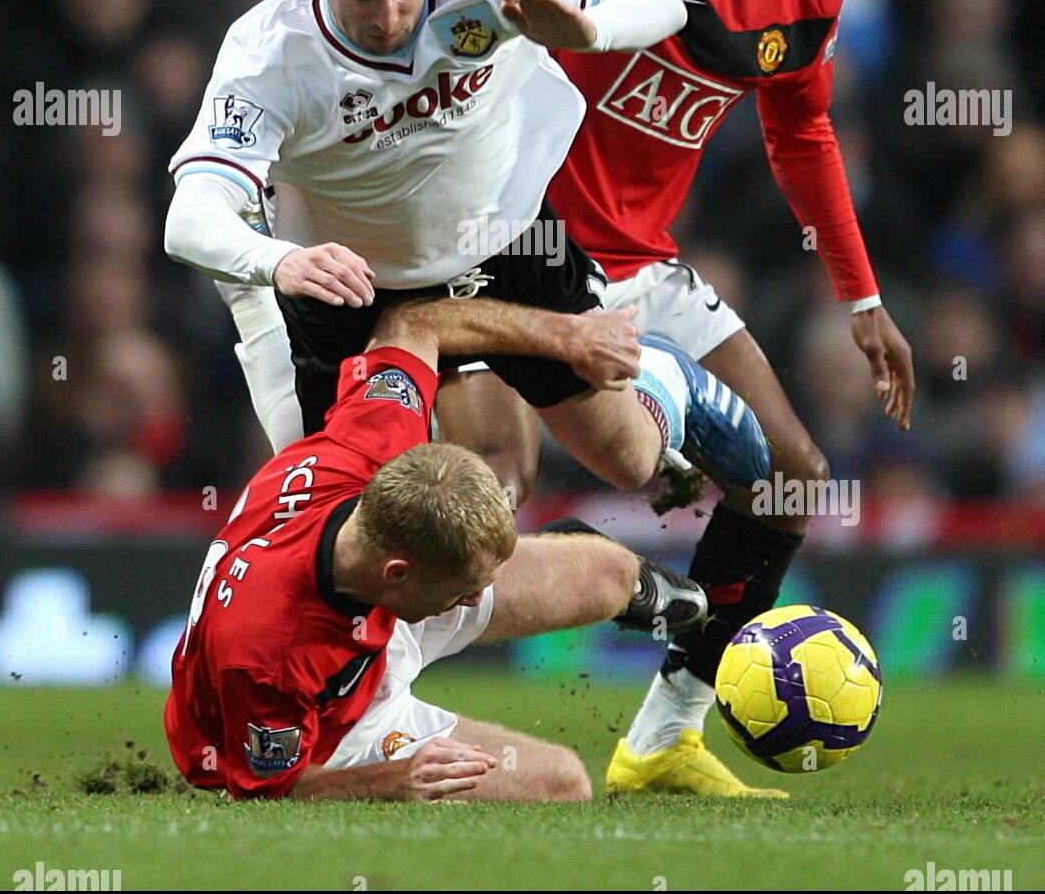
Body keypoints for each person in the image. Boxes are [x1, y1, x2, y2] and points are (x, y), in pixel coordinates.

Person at [234, 0, 915, 799]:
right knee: (489, 503)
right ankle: (372, 696)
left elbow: (805, 139)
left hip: (648, 262)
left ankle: (662, 740)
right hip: (525, 248)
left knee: (789, 480)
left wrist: (862, 296)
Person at [166, 0, 771, 509]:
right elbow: (191, 215)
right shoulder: (268, 56)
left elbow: (662, 3)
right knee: (360, 514)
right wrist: (277, 262)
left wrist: (588, 26)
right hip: (348, 288)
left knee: (628, 458)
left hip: (505, 243)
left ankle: (669, 378)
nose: (387, 19)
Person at [165, 294, 707, 802]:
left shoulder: (372, 442)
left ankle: (620, 578)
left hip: (379, 604)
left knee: (611, 575)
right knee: (563, 783)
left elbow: (414, 324)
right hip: (336, 722)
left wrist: (568, 336)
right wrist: (388, 780)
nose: (475, 600)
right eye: (466, 589)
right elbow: (268, 786)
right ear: (400, 572)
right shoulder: (266, 654)